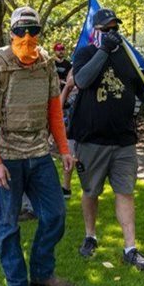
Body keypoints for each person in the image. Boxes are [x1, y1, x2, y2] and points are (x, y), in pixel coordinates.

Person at [0, 6, 76, 286]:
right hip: (7, 157)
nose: (27, 37)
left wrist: (63, 149)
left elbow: (54, 110)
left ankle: (42, 272)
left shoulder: (45, 63)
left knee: (55, 215)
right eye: (21, 31)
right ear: (11, 33)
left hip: (39, 154)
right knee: (8, 224)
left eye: (33, 31)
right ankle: (18, 283)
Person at [70, 9, 144, 270]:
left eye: (115, 29)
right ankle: (90, 235)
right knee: (91, 191)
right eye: (107, 30)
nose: (113, 34)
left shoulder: (127, 56)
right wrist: (103, 51)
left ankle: (130, 248)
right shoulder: (85, 53)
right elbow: (81, 80)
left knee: (125, 191)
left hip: (124, 139)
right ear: (96, 31)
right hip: (92, 138)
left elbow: (140, 86)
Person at [60, 69, 78, 199]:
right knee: (68, 159)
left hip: (87, 133)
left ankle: (89, 190)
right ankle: (66, 188)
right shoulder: (72, 92)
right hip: (72, 130)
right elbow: (58, 106)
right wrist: (67, 87)